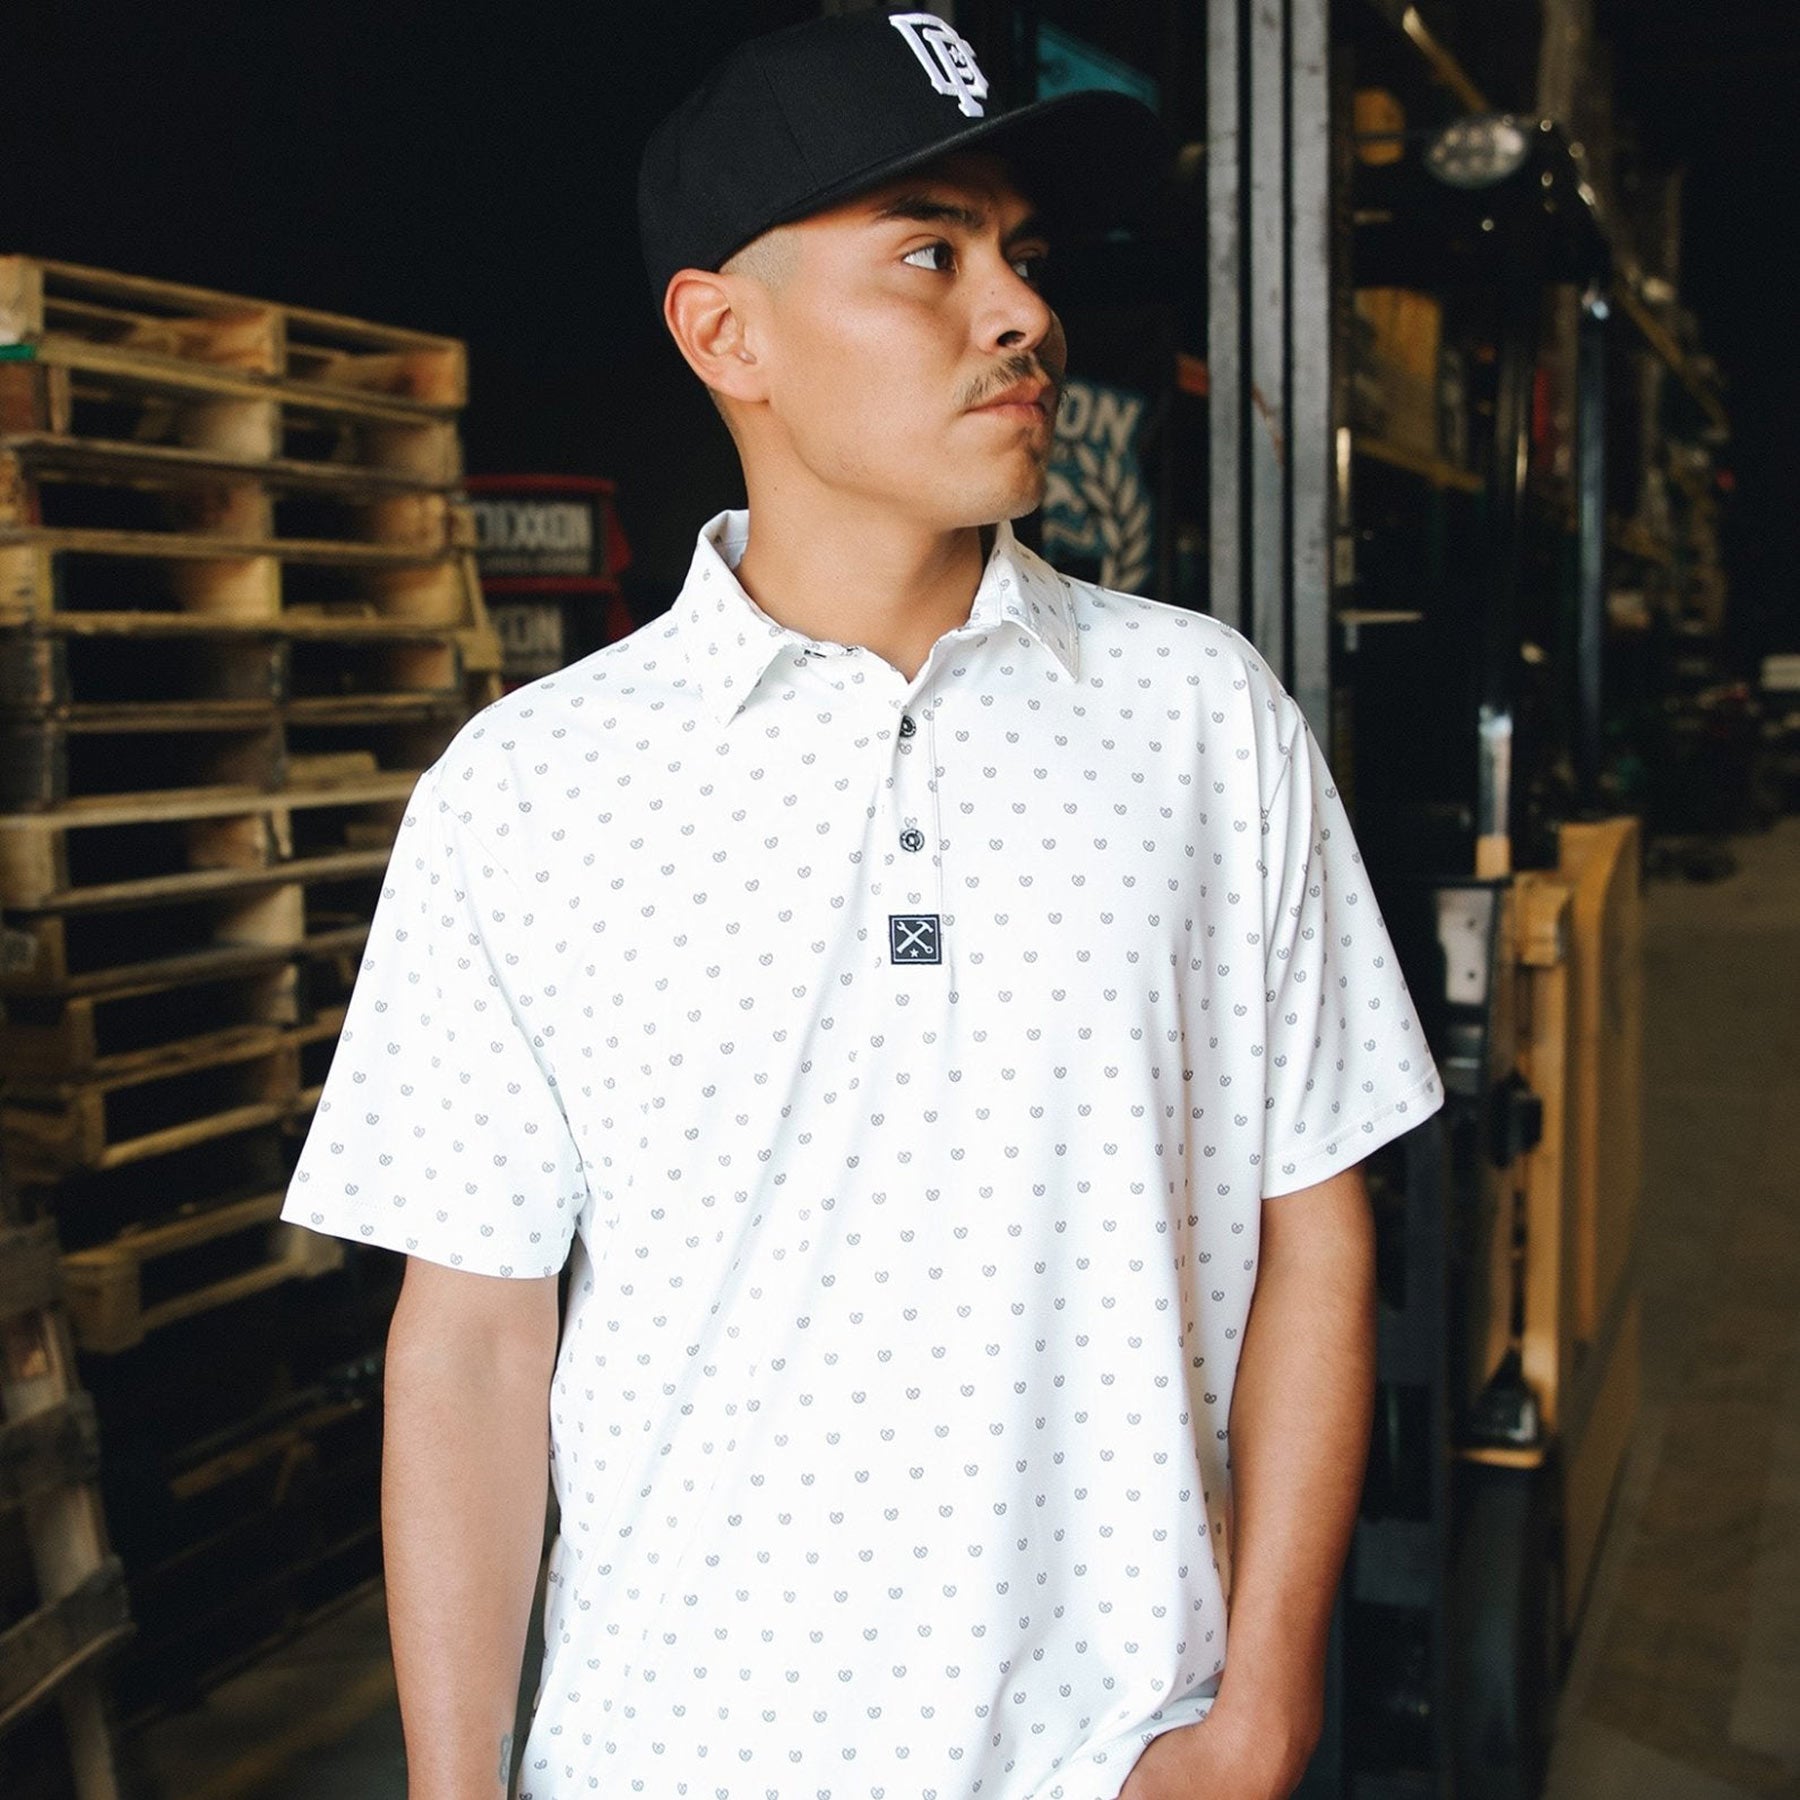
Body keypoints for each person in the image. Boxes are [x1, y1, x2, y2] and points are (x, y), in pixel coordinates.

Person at [280, 10, 1444, 1799]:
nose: (1021, 311)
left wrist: (1265, 1713)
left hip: (1107, 1754)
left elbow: (1315, 1229)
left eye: (1023, 254)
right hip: (675, 1755)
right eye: (929, 254)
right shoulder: (531, 792)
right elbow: (472, 1348)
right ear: (723, 333)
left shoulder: (1199, 718)